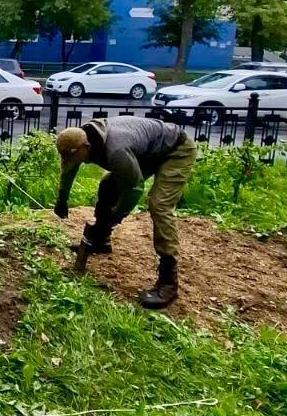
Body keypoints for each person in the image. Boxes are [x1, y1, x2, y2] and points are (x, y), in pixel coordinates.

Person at [53, 116, 197, 309]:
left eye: (75, 158)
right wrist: (61, 201)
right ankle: (100, 240)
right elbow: (68, 171)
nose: (76, 163)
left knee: (159, 205)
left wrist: (116, 216)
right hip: (149, 150)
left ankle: (168, 282)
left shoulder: (116, 150)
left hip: (176, 149)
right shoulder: (78, 139)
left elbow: (134, 189)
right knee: (107, 186)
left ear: (86, 147)